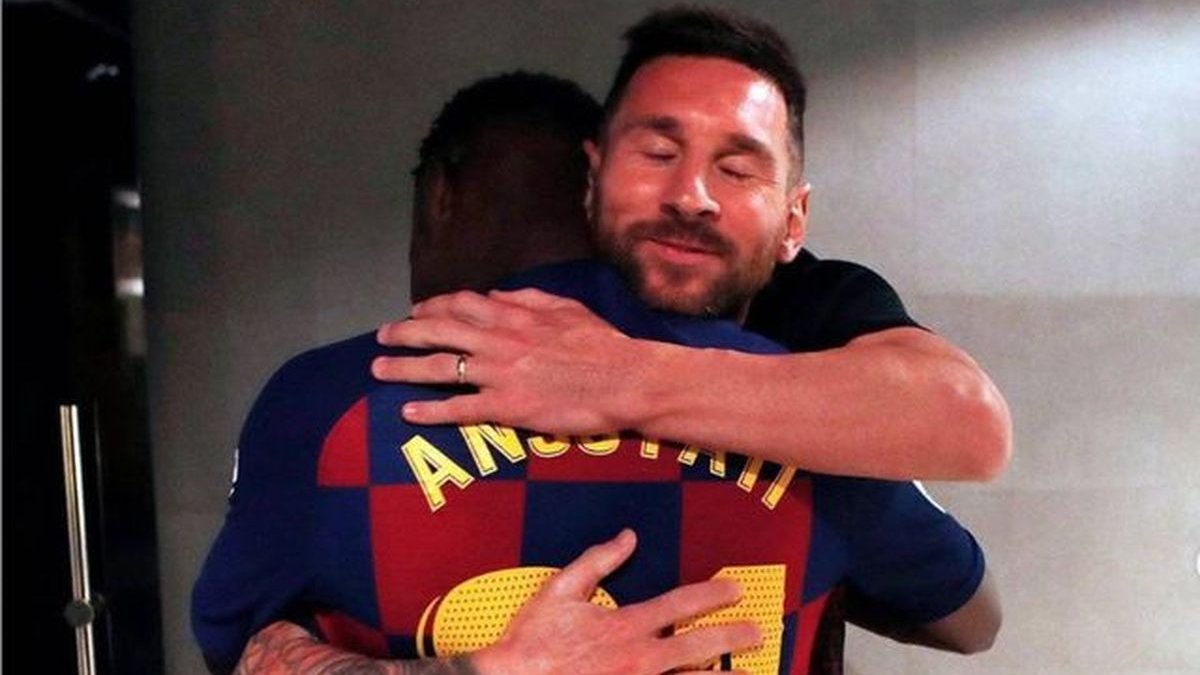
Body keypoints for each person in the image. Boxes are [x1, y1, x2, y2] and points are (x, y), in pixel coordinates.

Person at [195, 9, 1002, 674]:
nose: (691, 195)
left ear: (795, 220)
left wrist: (624, 380)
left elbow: (240, 646)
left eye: (736, 167)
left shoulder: (333, 399)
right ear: (593, 174)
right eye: (660, 152)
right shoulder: (824, 429)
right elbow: (969, 616)